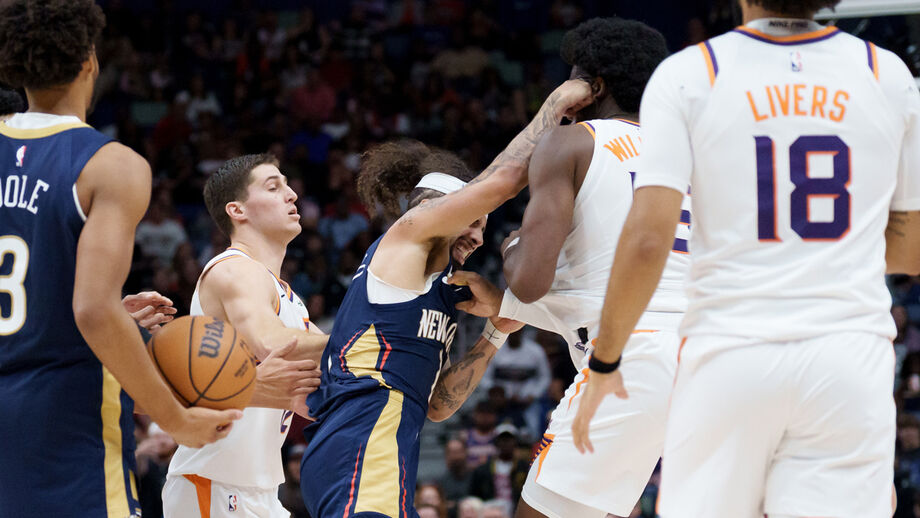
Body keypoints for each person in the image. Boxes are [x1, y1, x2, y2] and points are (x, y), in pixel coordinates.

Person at [572, 1, 920, 517]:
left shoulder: (693, 72)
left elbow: (649, 241)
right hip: (847, 352)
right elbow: (910, 249)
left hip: (732, 347)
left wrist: (606, 361)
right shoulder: (884, 72)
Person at [300, 79, 593, 518]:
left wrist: (493, 334)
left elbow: (438, 407)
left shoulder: (440, 293)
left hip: (384, 444)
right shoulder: (407, 235)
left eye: (484, 226)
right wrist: (556, 104)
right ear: (435, 210)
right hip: (364, 436)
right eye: (471, 220)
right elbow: (506, 179)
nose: (478, 237)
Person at [0, 2, 240, 517]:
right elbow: (93, 311)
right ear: (90, 60)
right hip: (61, 419)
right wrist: (173, 418)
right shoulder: (112, 166)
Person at [490, 18, 674, 518]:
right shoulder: (689, 152)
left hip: (630, 358)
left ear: (592, 87)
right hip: (714, 357)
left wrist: (512, 247)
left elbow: (529, 282)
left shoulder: (573, 143)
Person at [163, 154, 328, 517]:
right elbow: (272, 344)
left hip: (259, 491)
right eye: (274, 187)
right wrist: (369, 339)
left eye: (288, 184)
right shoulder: (235, 269)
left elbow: (336, 364)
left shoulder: (289, 298)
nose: (292, 195)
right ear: (237, 210)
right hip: (213, 484)